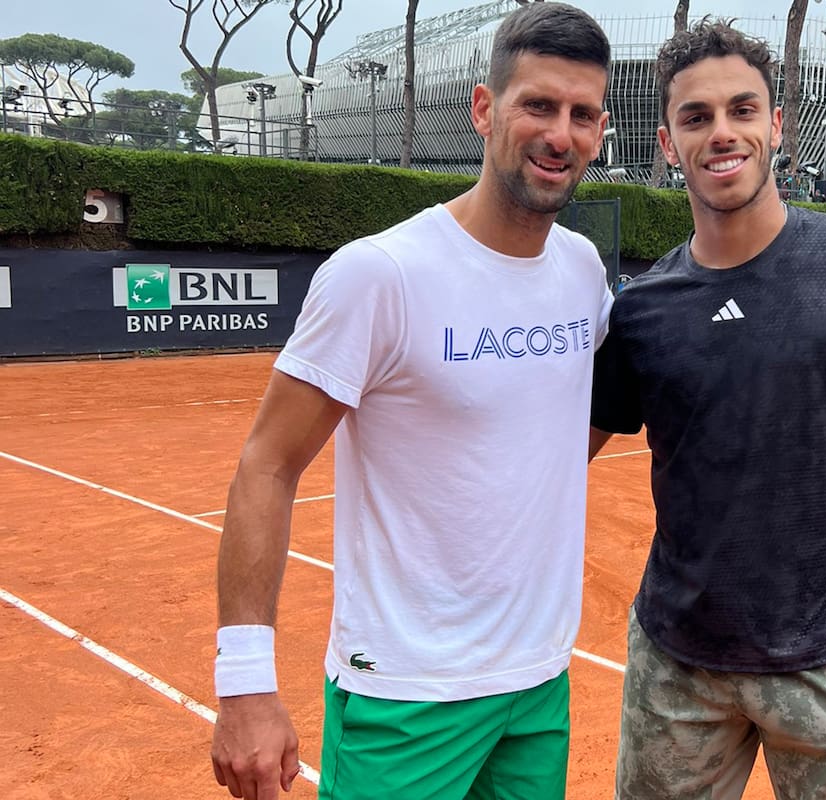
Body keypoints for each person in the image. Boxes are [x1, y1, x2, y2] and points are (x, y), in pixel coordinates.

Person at [208, 5, 613, 799]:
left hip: (538, 682)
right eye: (537, 105)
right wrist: (246, 683)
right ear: (483, 109)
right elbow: (268, 464)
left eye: (583, 114)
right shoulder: (379, 274)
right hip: (404, 691)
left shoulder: (581, 270)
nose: (560, 134)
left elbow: (562, 427)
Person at [589, 20, 826, 800]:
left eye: (742, 110)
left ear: (776, 125)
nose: (721, 132)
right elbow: (556, 456)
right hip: (677, 670)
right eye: (696, 117)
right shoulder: (641, 312)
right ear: (667, 143)